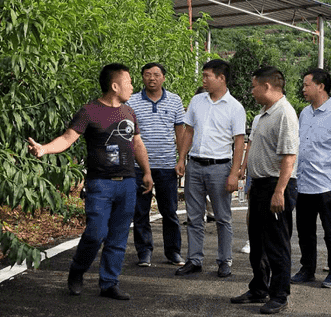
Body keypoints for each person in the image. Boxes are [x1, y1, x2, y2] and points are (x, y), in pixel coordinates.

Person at [27, 63, 154, 300]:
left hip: (127, 182)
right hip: (100, 184)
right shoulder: (89, 111)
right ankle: (77, 270)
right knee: (96, 233)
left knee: (118, 236)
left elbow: (137, 143)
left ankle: (109, 283)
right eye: (128, 82)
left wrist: (146, 172)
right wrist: (44, 149)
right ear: (115, 86)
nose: (132, 87)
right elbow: (67, 138)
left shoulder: (129, 112)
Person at [231, 66, 298, 314]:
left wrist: (279, 191)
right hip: (259, 185)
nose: (252, 91)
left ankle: (280, 295)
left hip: (276, 185)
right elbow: (253, 148)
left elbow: (289, 157)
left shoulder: (285, 114)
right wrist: (247, 177)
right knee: (257, 242)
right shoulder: (262, 114)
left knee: (277, 243)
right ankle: (259, 287)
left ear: (267, 86)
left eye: (253, 86)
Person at [175, 59, 246, 278]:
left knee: (223, 218)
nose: (203, 80)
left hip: (220, 167)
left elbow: (239, 143)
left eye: (207, 76)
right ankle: (194, 260)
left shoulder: (235, 107)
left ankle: (224, 261)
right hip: (194, 166)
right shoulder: (197, 101)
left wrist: (234, 173)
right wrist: (182, 159)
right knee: (194, 217)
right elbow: (189, 131)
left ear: (221, 78)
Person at [291, 68, 331, 289]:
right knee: (305, 231)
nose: (303, 89)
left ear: (320, 86)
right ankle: (307, 269)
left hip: (327, 184)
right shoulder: (304, 113)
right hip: (305, 182)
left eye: (307, 84)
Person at [126, 63, 185, 268]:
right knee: (140, 211)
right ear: (142, 77)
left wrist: (181, 158)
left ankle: (173, 252)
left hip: (167, 164)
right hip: (138, 166)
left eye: (156, 75)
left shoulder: (175, 100)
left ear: (164, 78)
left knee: (169, 210)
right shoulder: (132, 101)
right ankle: (144, 252)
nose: (152, 78)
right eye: (147, 75)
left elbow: (180, 132)